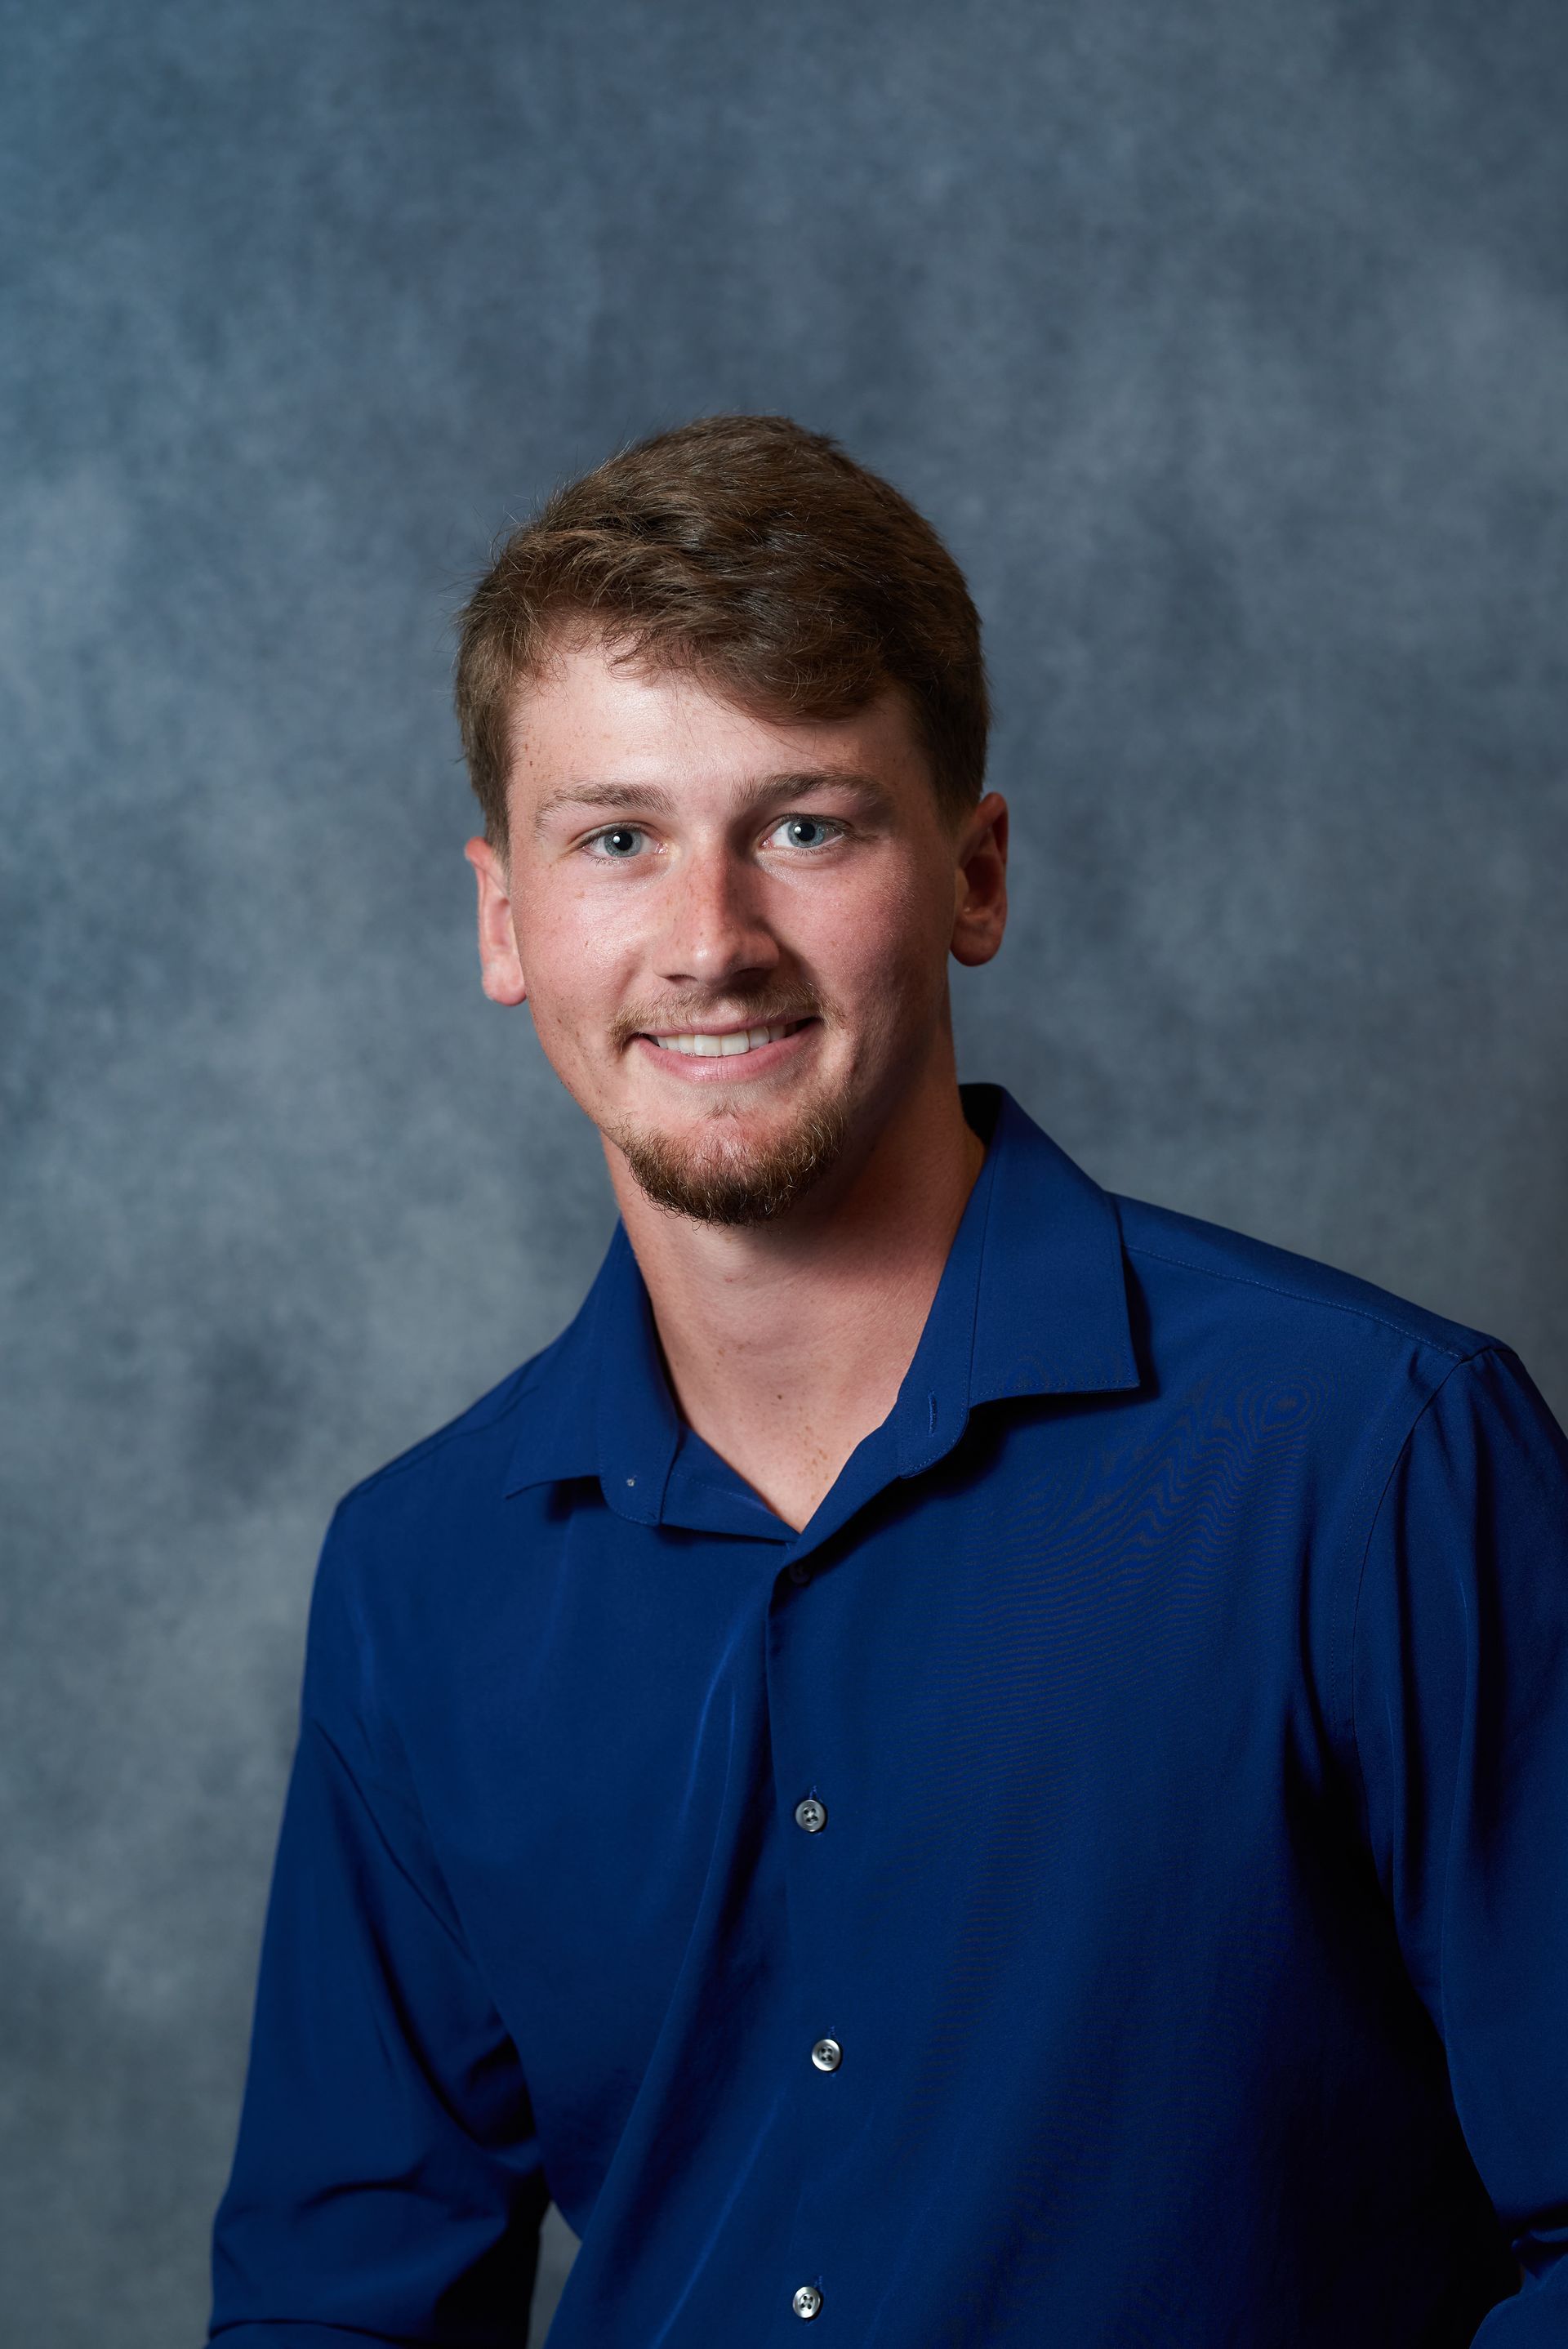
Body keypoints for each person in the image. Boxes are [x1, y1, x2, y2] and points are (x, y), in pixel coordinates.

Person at [208, 415, 1568, 2347]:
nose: (710, 942)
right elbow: (336, 2315)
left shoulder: (1376, 1466)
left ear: (973, 877)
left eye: (807, 826)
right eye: (617, 839)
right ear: (507, 919)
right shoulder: (418, 1578)